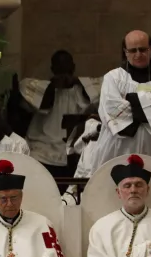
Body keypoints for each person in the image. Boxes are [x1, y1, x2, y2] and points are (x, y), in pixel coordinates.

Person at [82, 31, 151, 179]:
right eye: (133, 50)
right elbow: (112, 111)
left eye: (143, 49)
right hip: (119, 148)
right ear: (125, 52)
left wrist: (130, 99)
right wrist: (150, 105)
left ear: (150, 49)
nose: (138, 54)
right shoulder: (113, 77)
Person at [17, 51, 102, 179]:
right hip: (43, 150)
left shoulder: (82, 89)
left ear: (73, 67)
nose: (63, 71)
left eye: (66, 66)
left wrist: (76, 81)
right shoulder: (40, 88)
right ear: (53, 69)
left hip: (74, 150)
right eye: (59, 67)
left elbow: (102, 87)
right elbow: (39, 101)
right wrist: (53, 85)